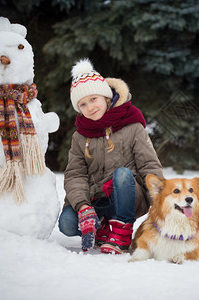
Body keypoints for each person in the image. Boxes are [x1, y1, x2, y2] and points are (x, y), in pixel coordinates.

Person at [58, 58, 163, 254]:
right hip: (95, 200)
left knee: (122, 174)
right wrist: (82, 206)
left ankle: (122, 230)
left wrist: (160, 203)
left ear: (106, 97)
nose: (90, 107)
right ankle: (103, 229)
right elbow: (75, 174)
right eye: (83, 104)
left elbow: (149, 165)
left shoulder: (131, 126)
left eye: (94, 99)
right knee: (67, 223)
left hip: (126, 195)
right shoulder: (80, 135)